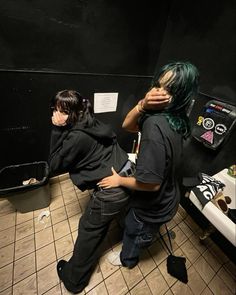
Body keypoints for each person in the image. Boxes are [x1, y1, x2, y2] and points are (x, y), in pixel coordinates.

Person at [98, 61, 199, 269]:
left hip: (152, 208)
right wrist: (142, 104)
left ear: (180, 96)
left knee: (134, 233)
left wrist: (119, 180)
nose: (157, 92)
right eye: (158, 85)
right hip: (170, 198)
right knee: (140, 229)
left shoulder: (155, 125)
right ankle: (148, 234)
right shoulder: (177, 118)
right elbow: (128, 125)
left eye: (167, 89)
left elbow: (150, 184)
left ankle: (128, 259)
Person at [48, 89, 137, 293]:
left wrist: (56, 129)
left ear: (72, 113)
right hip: (128, 172)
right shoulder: (89, 119)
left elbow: (53, 164)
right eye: (54, 109)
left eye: (60, 110)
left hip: (114, 188)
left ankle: (74, 280)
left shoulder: (76, 137)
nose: (55, 114)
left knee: (89, 230)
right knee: (115, 215)